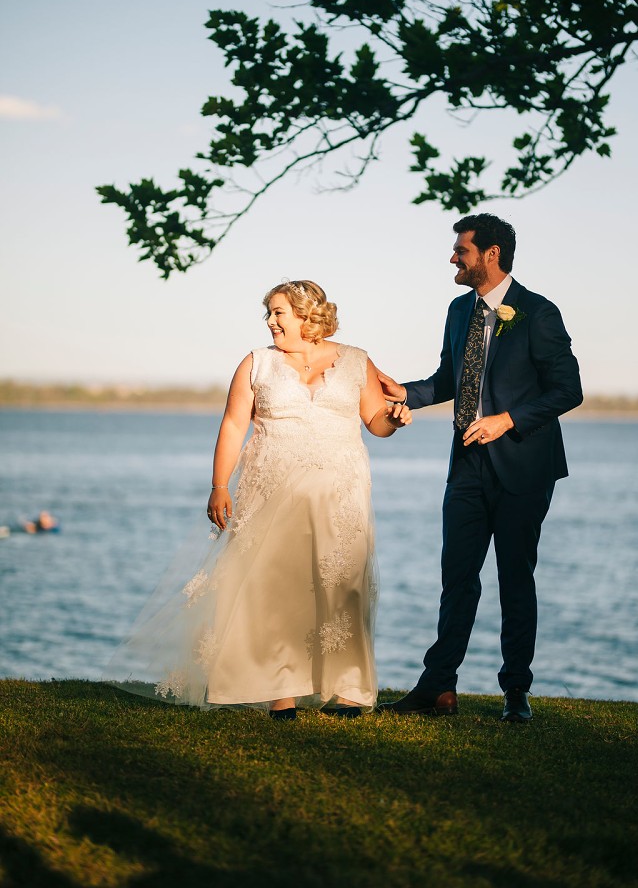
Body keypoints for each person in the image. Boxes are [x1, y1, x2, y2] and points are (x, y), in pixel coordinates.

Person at [106, 280, 411, 720]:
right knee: (274, 586)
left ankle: (348, 689)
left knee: (343, 585)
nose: (270, 321)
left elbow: (376, 422)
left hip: (341, 491)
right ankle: (280, 692)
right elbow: (234, 425)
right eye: (269, 313)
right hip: (271, 488)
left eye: (278, 312)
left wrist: (393, 419)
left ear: (306, 314)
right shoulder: (256, 363)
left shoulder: (356, 361)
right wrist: (219, 485)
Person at [377, 214, 582, 722]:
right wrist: (404, 392)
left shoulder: (538, 312)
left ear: (491, 254)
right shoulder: (457, 310)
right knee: (457, 577)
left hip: (523, 466)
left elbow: (568, 390)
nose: (453, 257)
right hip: (466, 465)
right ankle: (438, 688)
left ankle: (516, 692)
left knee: (516, 578)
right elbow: (449, 380)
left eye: (461, 250)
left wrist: (506, 420)